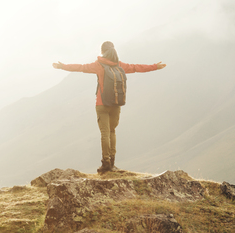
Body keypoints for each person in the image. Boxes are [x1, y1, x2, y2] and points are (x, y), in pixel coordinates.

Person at [53, 41, 166, 173]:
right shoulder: (120, 65)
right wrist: (155, 66)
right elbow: (136, 67)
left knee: (105, 134)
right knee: (112, 132)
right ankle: (112, 162)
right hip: (116, 104)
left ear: (102, 51)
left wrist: (62, 66)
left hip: (102, 104)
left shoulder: (98, 65)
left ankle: (105, 163)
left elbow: (81, 67)